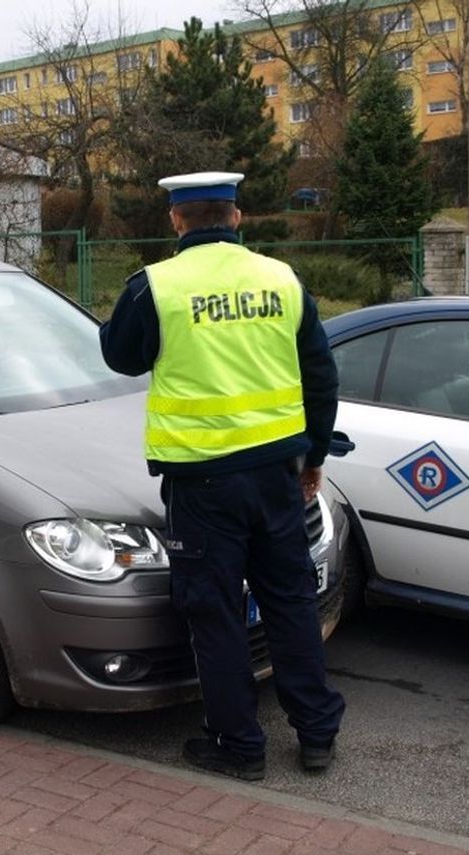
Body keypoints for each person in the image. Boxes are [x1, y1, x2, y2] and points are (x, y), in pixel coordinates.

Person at [99, 171, 345, 782]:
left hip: (203, 485)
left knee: (215, 613)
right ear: (237, 218)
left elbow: (119, 356)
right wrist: (313, 459)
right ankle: (316, 734)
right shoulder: (282, 280)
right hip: (277, 476)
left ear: (177, 221)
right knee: (290, 601)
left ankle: (239, 745)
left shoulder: (155, 287)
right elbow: (321, 375)